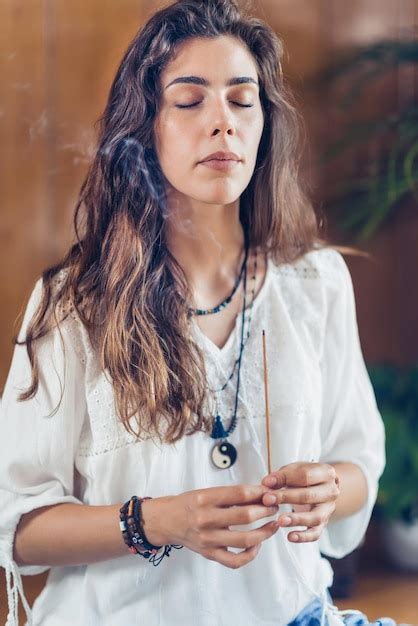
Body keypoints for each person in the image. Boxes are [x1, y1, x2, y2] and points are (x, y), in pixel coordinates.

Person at [0, 1, 396, 624]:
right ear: (143, 127)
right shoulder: (73, 303)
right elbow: (16, 523)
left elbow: (358, 465)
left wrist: (328, 491)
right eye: (189, 102)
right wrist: (157, 521)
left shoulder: (316, 283)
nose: (223, 123)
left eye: (243, 101)